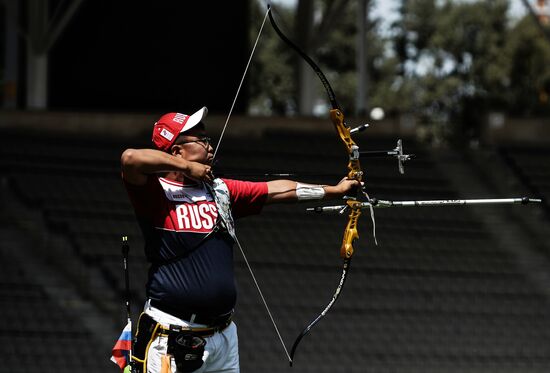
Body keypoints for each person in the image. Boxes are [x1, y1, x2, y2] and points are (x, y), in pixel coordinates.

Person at [120, 107, 360, 373]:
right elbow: (130, 159)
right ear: (176, 151)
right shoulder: (156, 194)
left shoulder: (221, 191)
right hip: (171, 336)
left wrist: (333, 191)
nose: (209, 146)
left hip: (222, 336)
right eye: (201, 140)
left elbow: (277, 190)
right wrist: (188, 168)